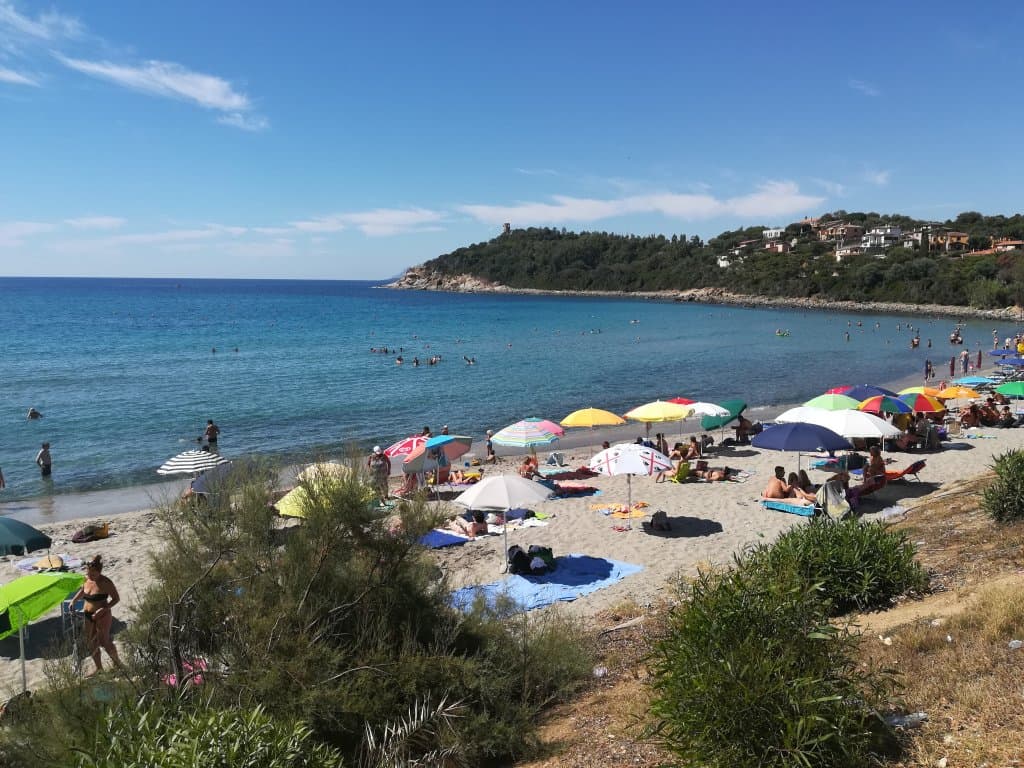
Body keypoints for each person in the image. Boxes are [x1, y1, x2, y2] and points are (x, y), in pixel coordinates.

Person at [69, 555, 123, 676]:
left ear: (99, 571)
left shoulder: (106, 582)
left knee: (104, 641)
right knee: (91, 642)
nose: (91, 575)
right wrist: (74, 601)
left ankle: (118, 664)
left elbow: (116, 599)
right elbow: (83, 591)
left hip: (102, 615)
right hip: (87, 614)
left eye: (93, 573)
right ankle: (99, 669)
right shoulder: (87, 579)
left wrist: (104, 608)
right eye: (89, 573)